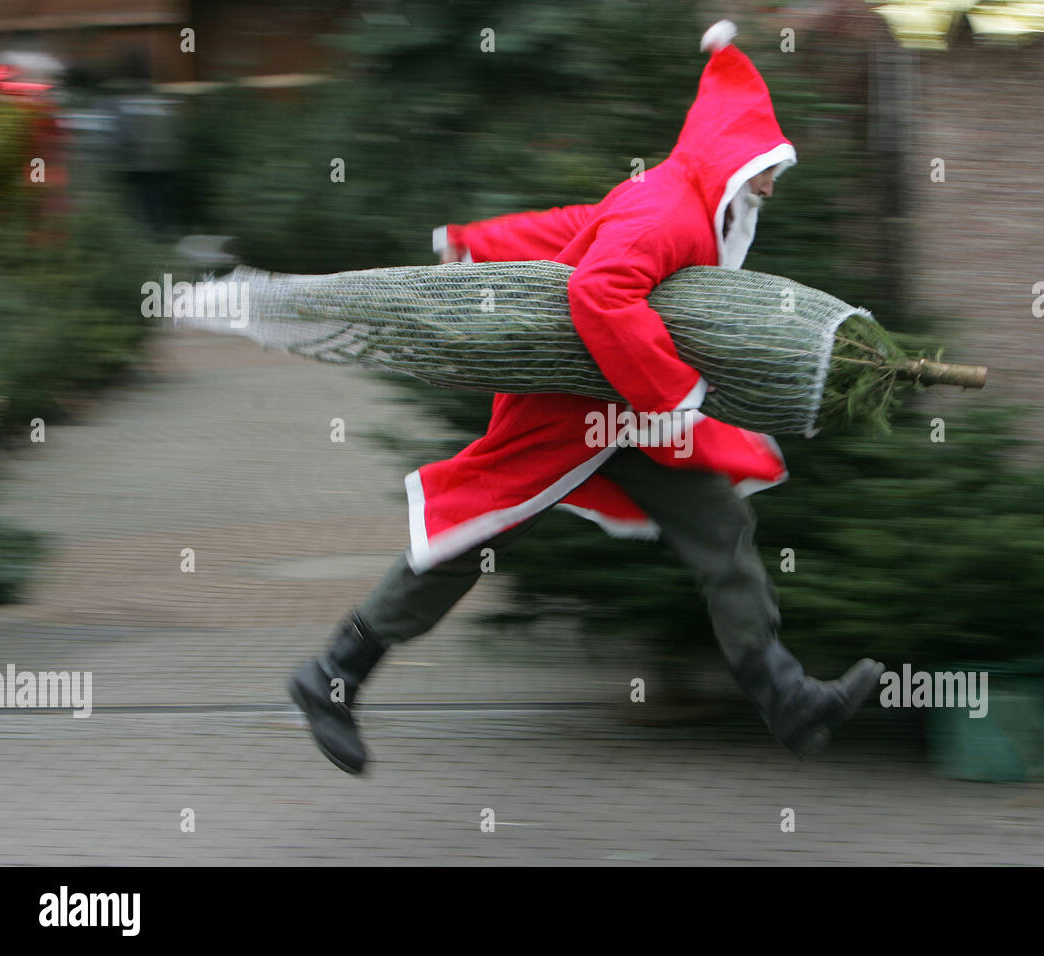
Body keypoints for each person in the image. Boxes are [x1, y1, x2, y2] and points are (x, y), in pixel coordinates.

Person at [288, 20, 884, 774]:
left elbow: (581, 226)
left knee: (719, 523)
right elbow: (598, 289)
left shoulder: (687, 202)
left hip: (629, 416)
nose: (771, 182)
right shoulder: (669, 210)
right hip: (568, 409)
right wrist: (677, 393)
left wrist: (480, 240)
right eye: (765, 164)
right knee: (474, 534)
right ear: (728, 160)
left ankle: (783, 695)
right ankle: (332, 675)